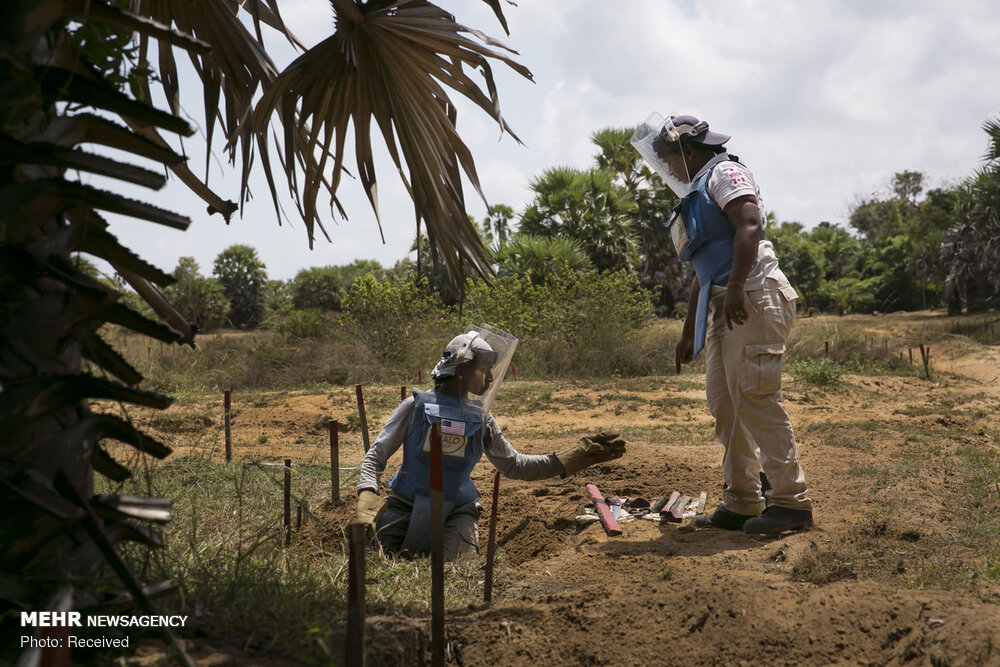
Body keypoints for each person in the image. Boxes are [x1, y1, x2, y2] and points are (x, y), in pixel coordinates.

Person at [632, 113, 813, 535]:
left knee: (754, 397)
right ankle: (743, 500)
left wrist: (734, 284)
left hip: (751, 296)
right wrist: (687, 330)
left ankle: (791, 502)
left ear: (688, 152)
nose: (670, 171)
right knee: (725, 405)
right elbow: (703, 270)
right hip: (726, 304)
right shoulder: (698, 188)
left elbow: (750, 225)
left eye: (670, 162)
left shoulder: (724, 172)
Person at [352, 327, 626, 560]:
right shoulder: (414, 407)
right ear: (461, 369)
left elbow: (515, 465)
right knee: (378, 566)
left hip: (457, 514)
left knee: (454, 577)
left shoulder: (482, 420)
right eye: (484, 370)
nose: (490, 378)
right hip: (404, 506)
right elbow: (376, 456)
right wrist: (366, 498)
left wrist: (571, 457)